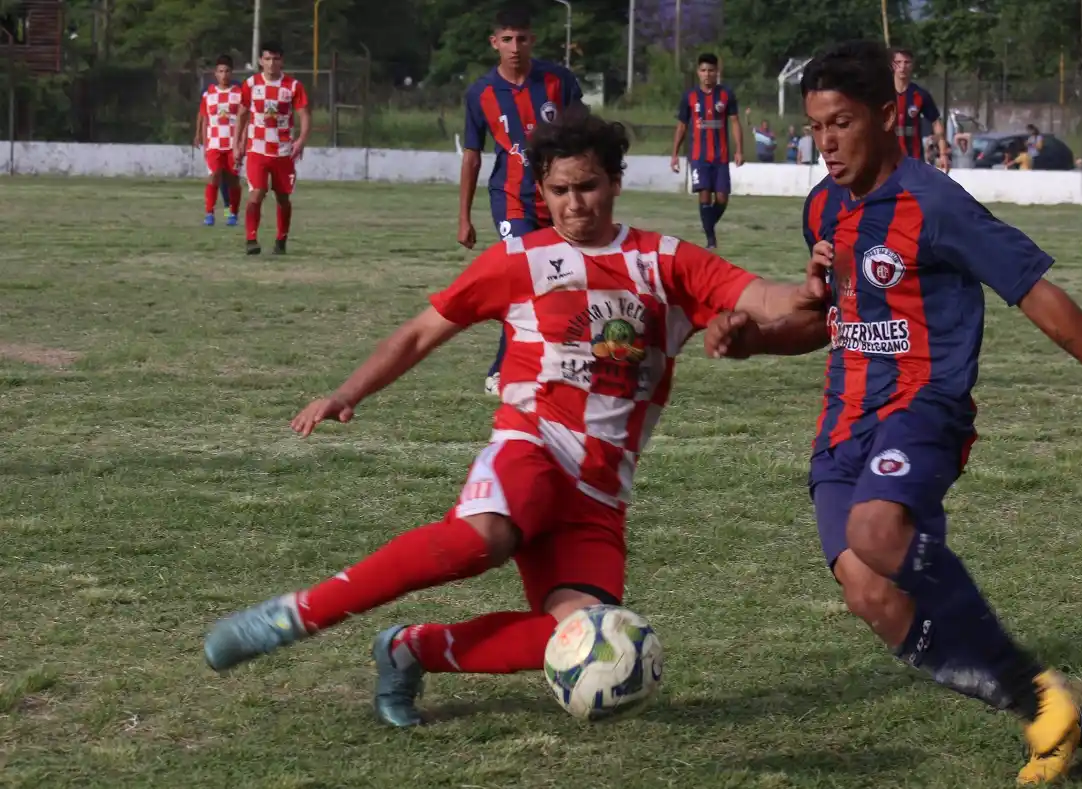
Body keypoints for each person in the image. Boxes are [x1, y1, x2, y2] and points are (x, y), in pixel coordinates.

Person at [202, 108, 822, 726]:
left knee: (585, 639)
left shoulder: (666, 262)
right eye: (559, 190)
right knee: (482, 538)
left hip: (601, 493)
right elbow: (422, 333)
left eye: (587, 187)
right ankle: (296, 614)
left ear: (614, 183)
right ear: (542, 192)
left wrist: (809, 291)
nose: (574, 203)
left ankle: (410, 648)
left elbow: (765, 298)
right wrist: (347, 393)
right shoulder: (518, 259)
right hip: (533, 445)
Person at [704, 40, 1082, 785]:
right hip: (841, 430)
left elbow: (1036, 291)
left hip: (925, 408)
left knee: (876, 527)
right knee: (872, 596)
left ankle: (1030, 688)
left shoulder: (933, 204)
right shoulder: (823, 207)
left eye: (843, 123)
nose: (826, 143)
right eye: (816, 127)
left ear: (888, 116)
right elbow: (829, 323)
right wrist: (756, 343)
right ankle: (1042, 708)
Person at [458, 7, 584, 396]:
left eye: (522, 38)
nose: (515, 47)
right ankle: (501, 367)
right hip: (512, 200)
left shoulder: (558, 82)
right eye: (507, 40)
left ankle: (563, 360)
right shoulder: (480, 93)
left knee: (563, 280)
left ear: (533, 40)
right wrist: (463, 216)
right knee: (526, 279)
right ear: (494, 43)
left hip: (561, 199)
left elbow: (583, 138)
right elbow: (473, 156)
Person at [234, 41, 311, 256]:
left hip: (284, 152)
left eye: (276, 59)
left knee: (283, 197)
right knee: (256, 194)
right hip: (257, 150)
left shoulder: (293, 86)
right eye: (267, 59)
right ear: (260, 61)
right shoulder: (250, 84)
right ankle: (251, 239)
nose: (271, 63)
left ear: (282, 61)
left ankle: (281, 239)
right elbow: (241, 115)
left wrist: (301, 140)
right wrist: (237, 144)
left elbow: (304, 115)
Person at [671, 53, 744, 250]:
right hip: (699, 157)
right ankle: (711, 240)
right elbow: (682, 126)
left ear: (717, 73)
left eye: (711, 70)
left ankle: (708, 225)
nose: (707, 74)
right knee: (704, 194)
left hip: (720, 157)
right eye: (703, 70)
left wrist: (739, 150)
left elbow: (735, 122)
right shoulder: (690, 96)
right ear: (698, 73)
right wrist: (675, 154)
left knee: (721, 198)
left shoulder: (726, 94)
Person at [194, 55, 243, 227]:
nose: (224, 75)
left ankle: (232, 214)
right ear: (215, 73)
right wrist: (201, 137)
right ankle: (209, 213)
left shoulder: (239, 94)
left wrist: (242, 143)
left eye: (227, 71)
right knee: (214, 176)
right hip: (214, 144)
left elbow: (244, 119)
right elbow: (204, 117)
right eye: (220, 71)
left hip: (232, 144)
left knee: (232, 180)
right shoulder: (209, 94)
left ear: (232, 72)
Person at [890, 47, 948, 169]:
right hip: (887, 160)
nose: (902, 67)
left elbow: (936, 122)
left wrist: (943, 154)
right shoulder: (882, 93)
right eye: (898, 62)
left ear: (912, 65)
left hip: (913, 159)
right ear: (892, 65)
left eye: (907, 62)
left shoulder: (920, 95)